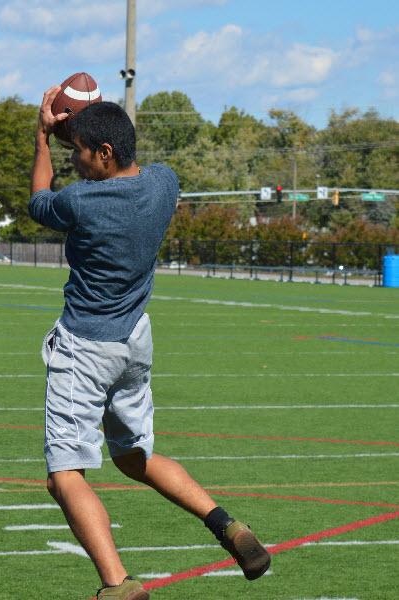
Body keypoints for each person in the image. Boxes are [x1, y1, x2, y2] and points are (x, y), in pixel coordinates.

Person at [29, 95, 270, 600]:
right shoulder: (164, 182)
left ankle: (117, 585)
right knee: (136, 457)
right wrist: (91, 114)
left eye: (81, 151)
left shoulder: (81, 202)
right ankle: (227, 526)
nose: (76, 159)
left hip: (85, 347)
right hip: (134, 342)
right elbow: (146, 169)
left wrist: (43, 137)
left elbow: (38, 201)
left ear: (105, 153)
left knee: (64, 475)